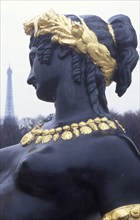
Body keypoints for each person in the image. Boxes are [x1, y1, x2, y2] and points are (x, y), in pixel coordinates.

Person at [0, 10, 140, 220]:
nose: (30, 77)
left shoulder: (114, 149)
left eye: (34, 57)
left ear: (63, 49)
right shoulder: (45, 129)